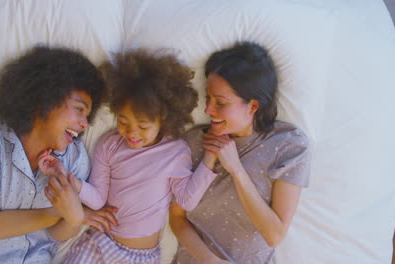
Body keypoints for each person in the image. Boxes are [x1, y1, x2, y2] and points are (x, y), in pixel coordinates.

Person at [0, 46, 117, 263]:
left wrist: (73, 219)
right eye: (79, 109)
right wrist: (63, 212)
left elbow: (56, 234)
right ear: (44, 100)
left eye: (88, 116)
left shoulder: (75, 159)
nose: (85, 124)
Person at [37, 49, 217, 264]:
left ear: (164, 119)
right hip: (101, 243)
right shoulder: (109, 145)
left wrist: (210, 159)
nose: (132, 133)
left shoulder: (176, 152)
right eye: (123, 122)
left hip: (142, 257)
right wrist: (65, 175)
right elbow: (97, 200)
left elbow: (187, 200)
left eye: (142, 126)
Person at [169, 42, 311, 264]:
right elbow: (177, 218)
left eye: (220, 103)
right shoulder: (193, 142)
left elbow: (274, 235)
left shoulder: (288, 145)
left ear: (253, 106)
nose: (208, 110)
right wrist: (209, 260)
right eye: (208, 98)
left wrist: (236, 169)